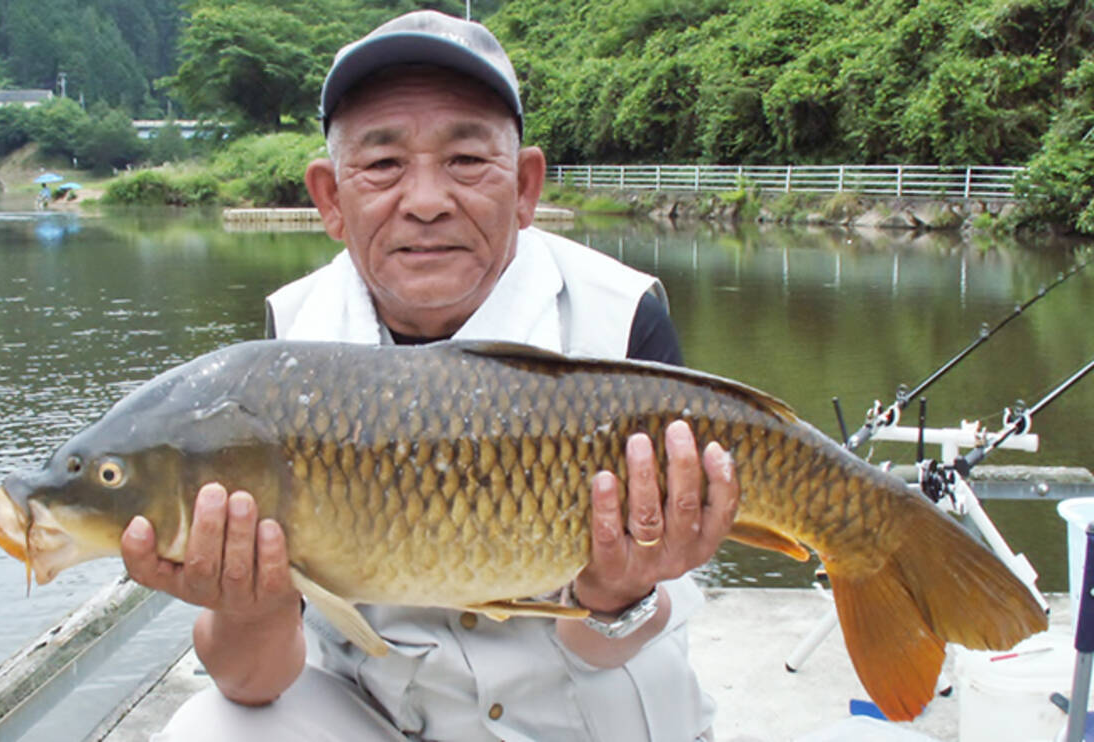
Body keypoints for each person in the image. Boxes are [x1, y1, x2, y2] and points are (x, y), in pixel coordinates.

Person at [123, 10, 739, 741]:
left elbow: (624, 638)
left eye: (467, 161)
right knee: (209, 729)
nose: (424, 201)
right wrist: (247, 603)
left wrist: (619, 592)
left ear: (525, 185)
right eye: (382, 165)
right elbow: (251, 682)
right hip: (388, 716)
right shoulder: (287, 350)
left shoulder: (622, 317)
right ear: (329, 198)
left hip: (596, 709)